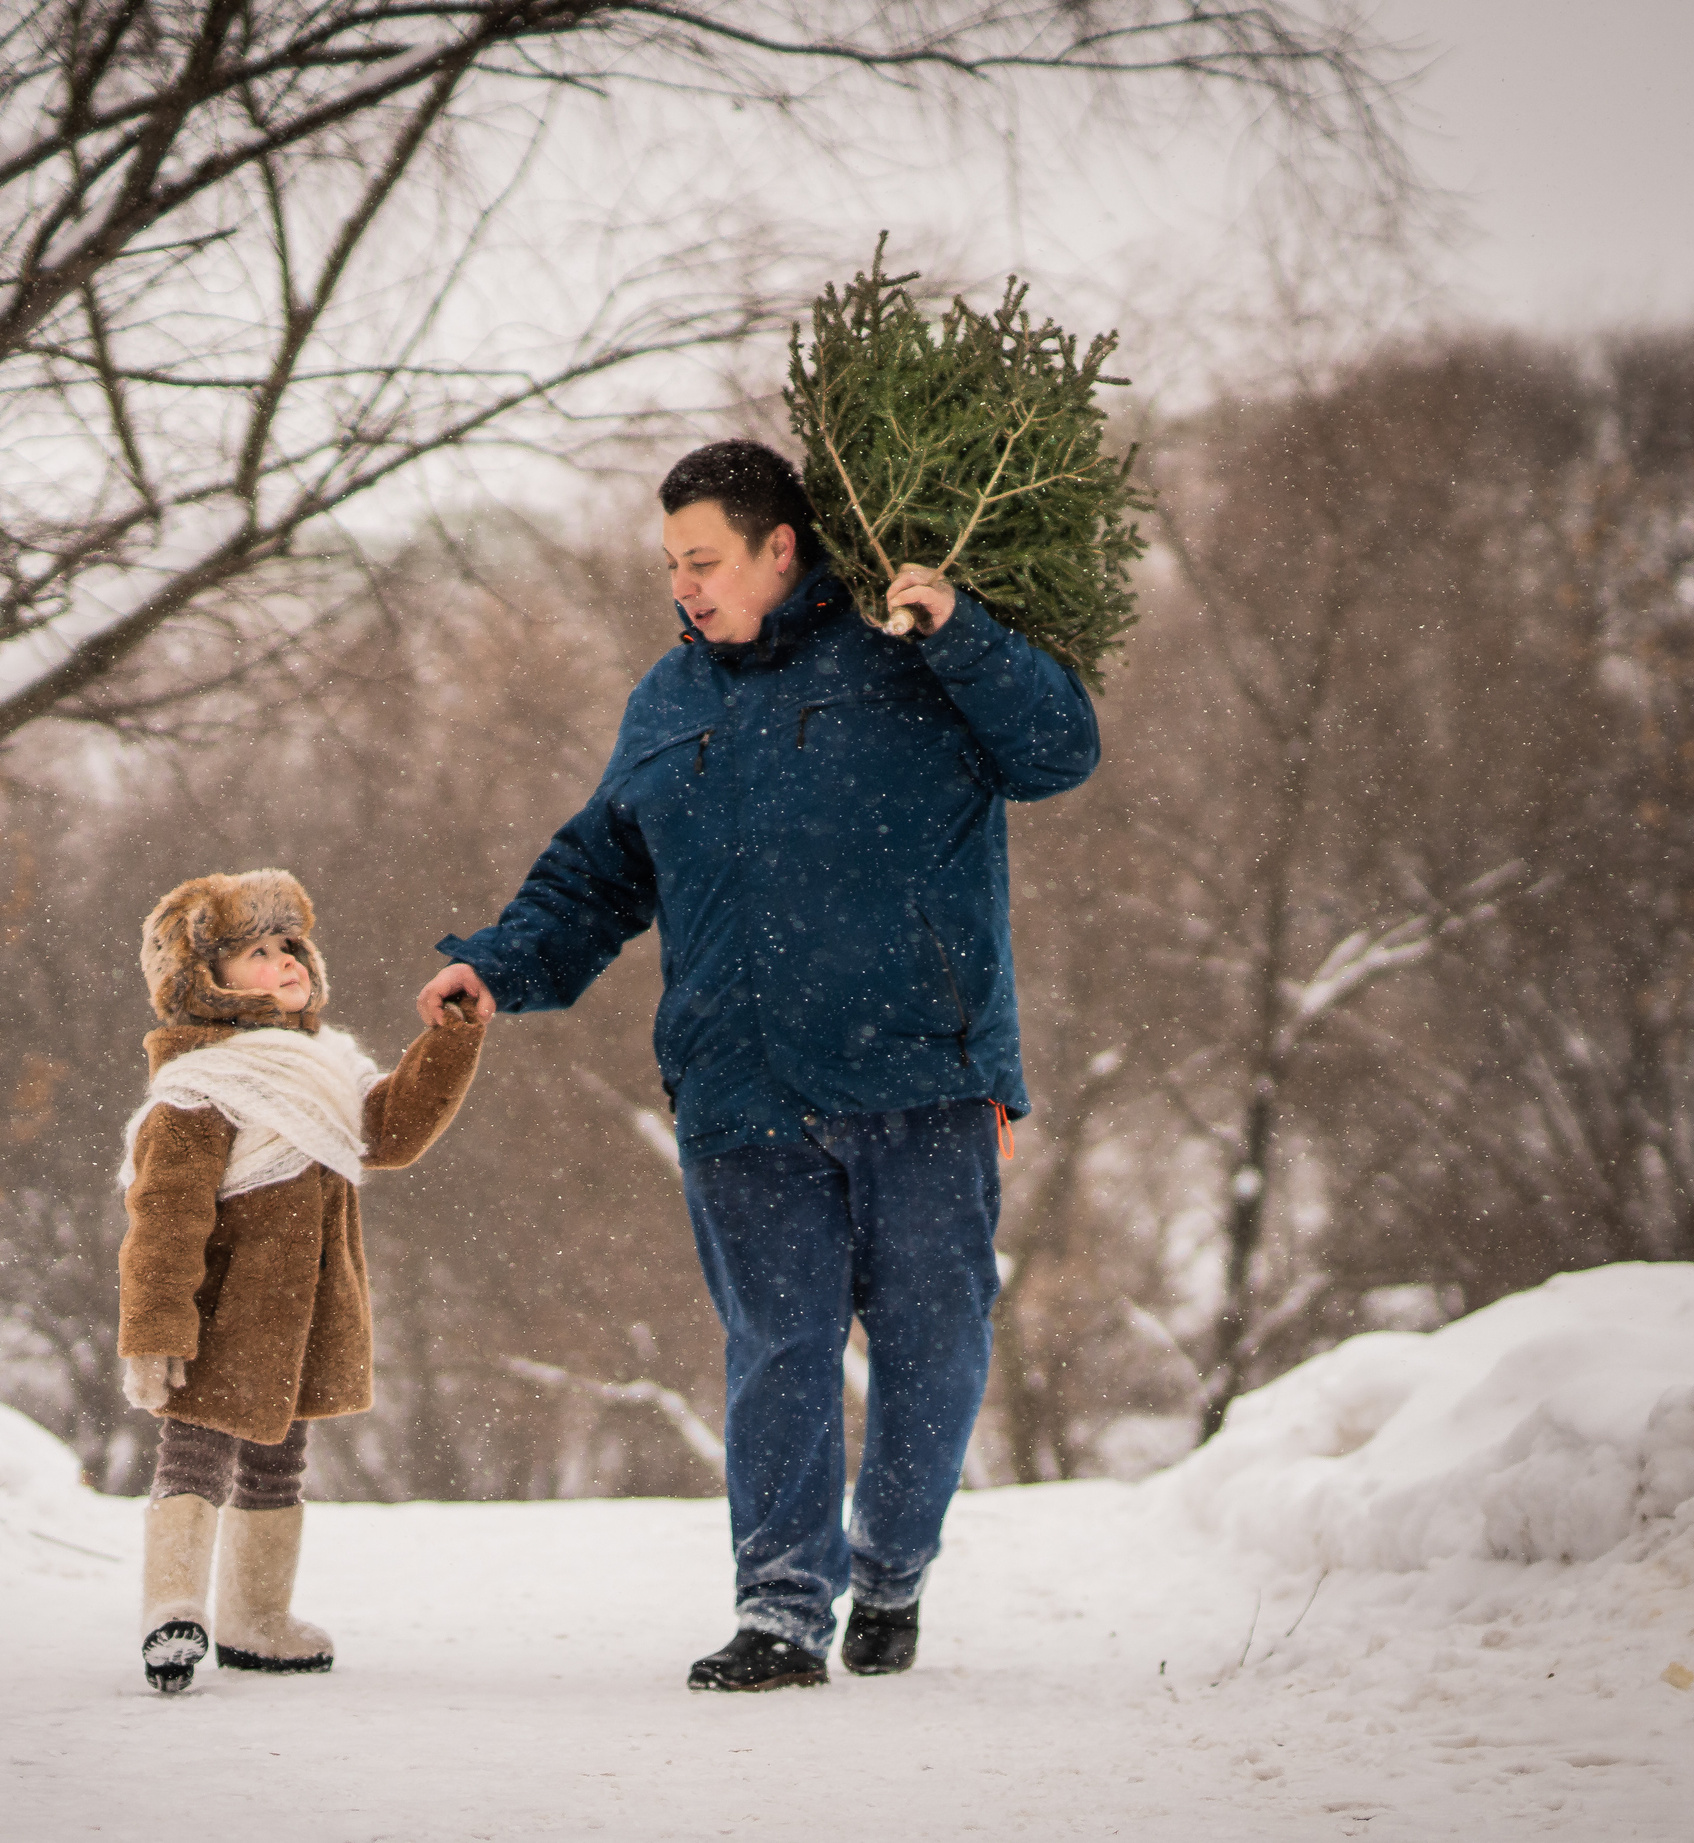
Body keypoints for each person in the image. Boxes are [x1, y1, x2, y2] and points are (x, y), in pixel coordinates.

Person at [418, 441, 1097, 1690]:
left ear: (780, 548)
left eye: (703, 560)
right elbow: (597, 874)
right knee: (777, 1343)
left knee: (931, 1337)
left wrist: (962, 633)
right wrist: (500, 965)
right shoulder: (667, 703)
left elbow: (1059, 751)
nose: (683, 586)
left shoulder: (911, 652)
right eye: (671, 564)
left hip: (921, 1071)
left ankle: (891, 1566)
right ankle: (782, 1609)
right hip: (741, 1087)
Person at [119, 868, 483, 1694]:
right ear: (202, 980)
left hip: (306, 1308)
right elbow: (166, 1217)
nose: (284, 960)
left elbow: (390, 1132)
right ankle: (173, 1610)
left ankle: (256, 1619)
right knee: (197, 1450)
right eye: (255, 950)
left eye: (289, 944)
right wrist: (155, 1330)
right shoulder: (199, 1086)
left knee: (280, 1461)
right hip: (222, 1311)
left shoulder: (327, 1066)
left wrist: (449, 1042)